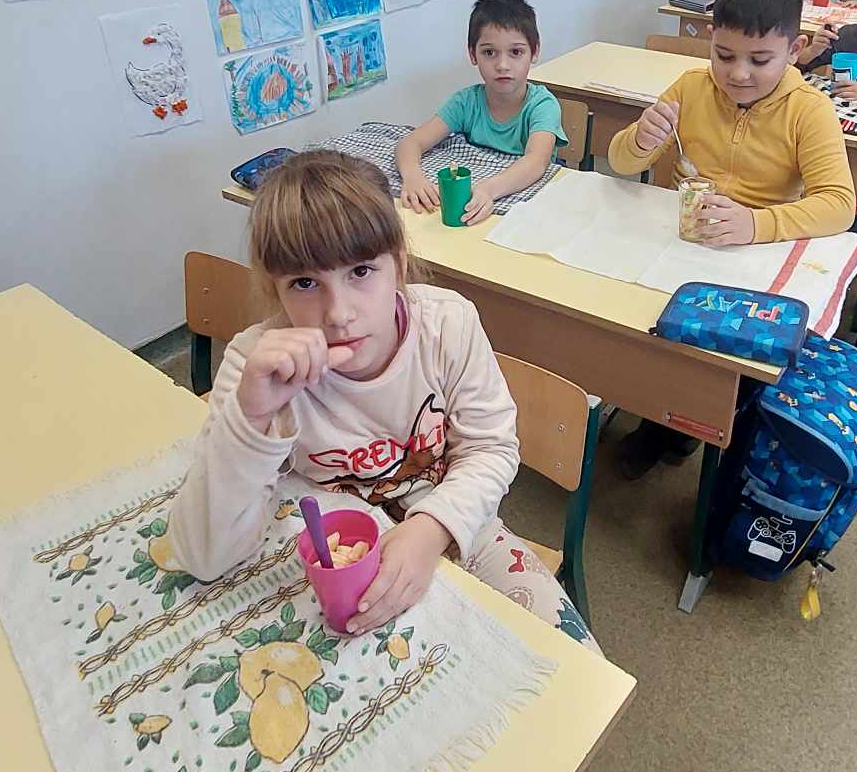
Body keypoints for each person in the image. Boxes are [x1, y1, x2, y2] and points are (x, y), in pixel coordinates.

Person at [166, 150, 598, 650]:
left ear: (399, 263)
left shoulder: (447, 325)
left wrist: (430, 530)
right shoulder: (254, 365)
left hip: (452, 520)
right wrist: (251, 419)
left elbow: (492, 449)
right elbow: (203, 557)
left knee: (574, 659)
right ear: (275, 290)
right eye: (305, 283)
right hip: (330, 544)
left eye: (361, 272)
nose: (338, 313)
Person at [606, 0, 854, 475]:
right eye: (724, 55)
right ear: (710, 40)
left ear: (795, 49)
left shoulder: (809, 110)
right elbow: (620, 163)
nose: (739, 73)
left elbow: (838, 203)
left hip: (753, 255)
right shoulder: (690, 87)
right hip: (680, 241)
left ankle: (689, 426)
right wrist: (641, 139)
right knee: (641, 321)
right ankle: (661, 418)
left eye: (760, 60)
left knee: (722, 352)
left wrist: (756, 224)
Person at [397, 0, 566, 224]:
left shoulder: (542, 105)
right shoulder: (466, 102)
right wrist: (413, 176)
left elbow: (536, 161)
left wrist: (488, 189)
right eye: (489, 53)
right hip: (475, 208)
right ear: (472, 55)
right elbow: (411, 142)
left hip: (525, 210)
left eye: (516, 52)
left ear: (534, 52)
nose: (502, 65)